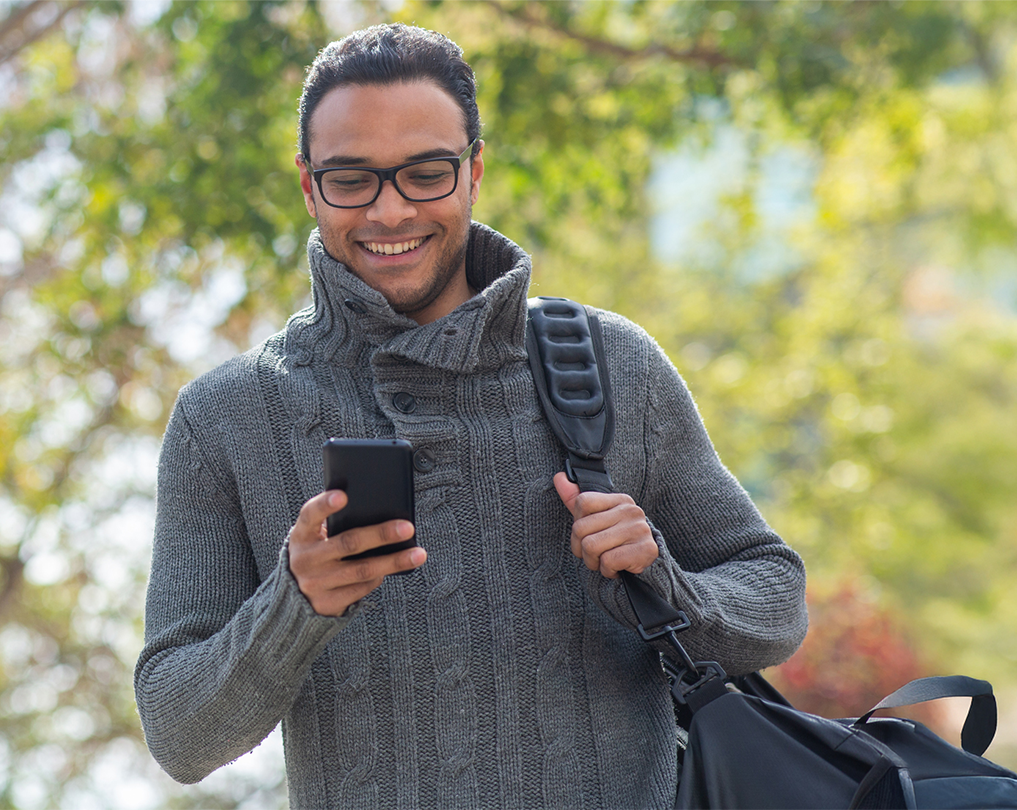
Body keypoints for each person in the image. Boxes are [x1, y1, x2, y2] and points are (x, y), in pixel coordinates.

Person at [135, 23, 807, 809]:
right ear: (308, 184)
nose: (389, 212)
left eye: (425, 173)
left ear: (473, 172)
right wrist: (296, 601)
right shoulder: (224, 419)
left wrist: (664, 581)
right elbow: (177, 732)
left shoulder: (611, 365)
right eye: (351, 178)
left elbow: (776, 598)